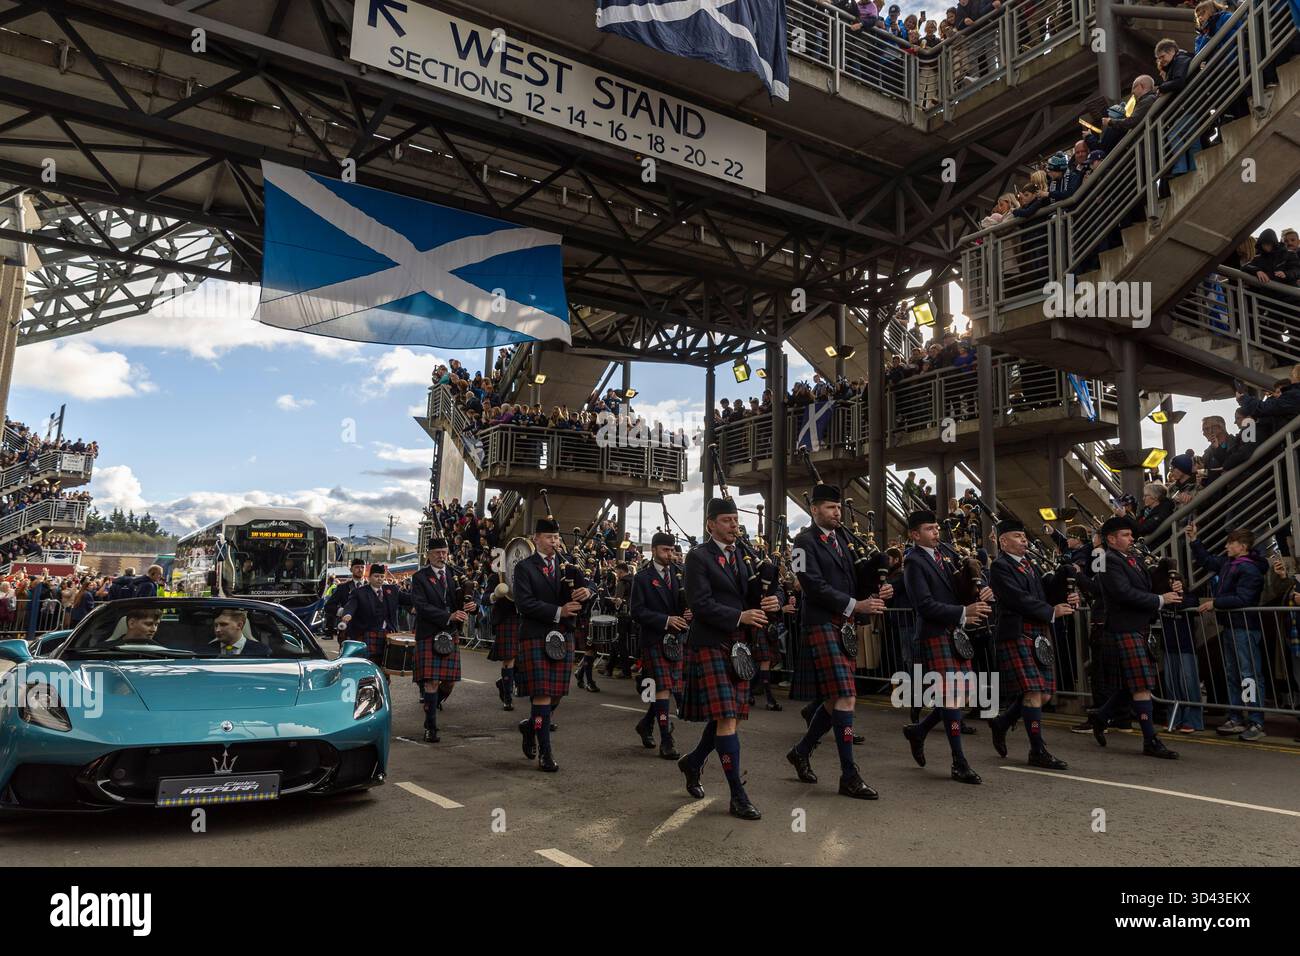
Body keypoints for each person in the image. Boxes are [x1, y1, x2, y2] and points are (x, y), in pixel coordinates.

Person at [678, 497, 781, 820]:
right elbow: (701, 604)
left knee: (728, 716)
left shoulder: (742, 555)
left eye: (735, 519)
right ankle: (737, 794)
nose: (734, 525)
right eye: (726, 520)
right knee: (727, 717)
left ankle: (693, 761)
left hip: (738, 644)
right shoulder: (698, 558)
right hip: (710, 642)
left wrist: (772, 601)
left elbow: (753, 598)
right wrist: (741, 616)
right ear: (710, 524)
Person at [785, 483, 885, 800]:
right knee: (845, 698)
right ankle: (849, 775)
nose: (837, 512)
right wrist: (856, 605)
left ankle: (801, 751)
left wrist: (877, 589)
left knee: (834, 700)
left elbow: (851, 581)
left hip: (842, 625)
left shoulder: (841, 540)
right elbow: (811, 586)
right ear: (814, 510)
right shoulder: (803, 543)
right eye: (830, 507)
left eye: (838, 507)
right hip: (821, 624)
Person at [900, 510, 992, 784]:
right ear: (915, 535)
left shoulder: (946, 555)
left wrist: (981, 587)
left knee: (961, 696)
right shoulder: (913, 562)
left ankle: (919, 731)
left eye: (937, 527)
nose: (936, 532)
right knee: (952, 699)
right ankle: (958, 762)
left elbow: (962, 587)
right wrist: (964, 612)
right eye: (929, 529)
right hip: (935, 634)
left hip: (953, 633)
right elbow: (924, 605)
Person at [985, 520, 1076, 768]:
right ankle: (1037, 750)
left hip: (1036, 631)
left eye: (1024, 536)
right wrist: (1051, 611)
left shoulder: (1029, 565)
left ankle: (1002, 722)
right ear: (1003, 542)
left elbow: (1041, 592)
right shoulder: (1000, 567)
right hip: (1017, 632)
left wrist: (1064, 580)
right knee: (1034, 692)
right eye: (1017, 536)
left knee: (1043, 694)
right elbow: (1018, 599)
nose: (1024, 540)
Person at [1090, 516, 1183, 758]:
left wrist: (1171, 587)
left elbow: (1146, 587)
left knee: (1131, 684)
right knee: (1140, 685)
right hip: (1123, 627)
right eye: (1125, 535)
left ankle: (1100, 716)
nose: (1131, 538)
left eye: (1131, 535)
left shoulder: (1134, 559)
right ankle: (1150, 739)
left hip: (1138, 626)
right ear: (1111, 539)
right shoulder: (1108, 560)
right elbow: (1123, 593)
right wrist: (1160, 600)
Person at [513, 518, 591, 773]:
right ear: (536, 538)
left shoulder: (567, 565)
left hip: (562, 635)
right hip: (536, 634)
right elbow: (524, 603)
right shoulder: (524, 567)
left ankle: (530, 726)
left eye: (557, 538)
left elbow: (588, 585)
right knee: (543, 694)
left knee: (556, 693)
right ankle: (545, 754)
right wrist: (559, 610)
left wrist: (587, 592)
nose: (554, 542)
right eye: (549, 538)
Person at [1187, 522, 1268, 741]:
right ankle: (1237, 716)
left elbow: (1244, 598)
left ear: (1242, 546)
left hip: (1244, 627)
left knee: (1248, 675)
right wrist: (1195, 541)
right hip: (1233, 626)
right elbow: (1208, 561)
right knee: (1236, 674)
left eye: (1231, 543)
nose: (1226, 546)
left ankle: (1255, 719)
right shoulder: (1232, 563)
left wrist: (1216, 603)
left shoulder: (1248, 568)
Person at [629, 532, 691, 760]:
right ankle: (666, 739)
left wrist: (688, 613)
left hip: (675, 640)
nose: (670, 555)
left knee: (667, 688)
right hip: (655, 639)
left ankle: (646, 725)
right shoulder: (643, 578)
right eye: (665, 550)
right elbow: (637, 611)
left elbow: (685, 605)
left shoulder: (679, 575)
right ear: (653, 550)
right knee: (663, 689)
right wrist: (666, 620)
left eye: (673, 550)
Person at [411, 539, 476, 743]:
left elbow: (460, 600)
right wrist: (448, 616)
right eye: (438, 552)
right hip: (430, 632)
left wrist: (470, 606)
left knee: (448, 683)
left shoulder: (453, 574)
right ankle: (431, 726)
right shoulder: (420, 577)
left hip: (449, 633)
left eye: (444, 552)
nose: (442, 556)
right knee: (431, 682)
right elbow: (420, 606)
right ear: (428, 555)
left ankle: (430, 705)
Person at [338, 564, 400, 666]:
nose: (379, 579)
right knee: (368, 664)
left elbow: (409, 599)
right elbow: (351, 605)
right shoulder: (359, 592)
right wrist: (348, 614)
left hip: (387, 633)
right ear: (369, 577)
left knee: (385, 665)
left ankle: (384, 681)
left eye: (381, 576)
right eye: (376, 576)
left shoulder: (392, 590)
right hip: (368, 632)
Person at [486, 566, 520, 711]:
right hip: (507, 619)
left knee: (523, 658)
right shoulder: (496, 577)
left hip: (527, 617)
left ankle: (504, 682)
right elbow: (485, 598)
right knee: (510, 657)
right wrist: (495, 594)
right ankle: (508, 697)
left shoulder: (527, 572)